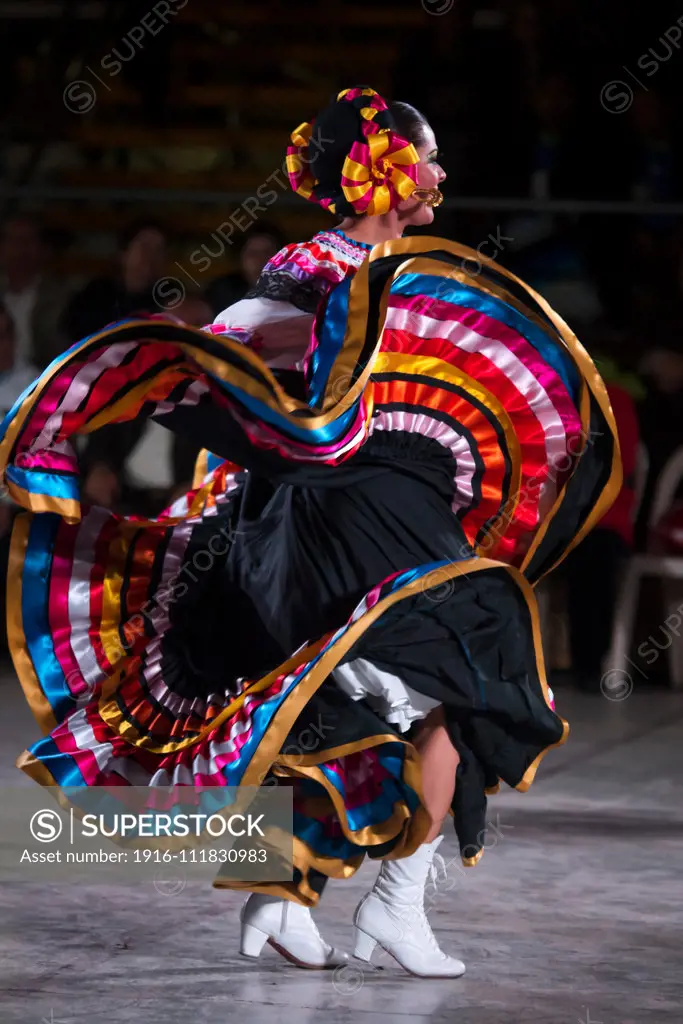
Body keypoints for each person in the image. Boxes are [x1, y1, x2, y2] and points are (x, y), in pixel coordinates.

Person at [0, 87, 620, 979]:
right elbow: (237, 346)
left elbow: (250, 347)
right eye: (429, 157)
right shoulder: (324, 270)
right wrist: (267, 391)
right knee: (482, 666)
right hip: (348, 523)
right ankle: (394, 905)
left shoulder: (348, 268)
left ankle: (283, 898)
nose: (441, 174)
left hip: (350, 520)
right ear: (387, 175)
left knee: (363, 703)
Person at [62, 219, 169, 342]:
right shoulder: (94, 296)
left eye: (159, 250)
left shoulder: (169, 298)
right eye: (144, 247)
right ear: (124, 253)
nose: (151, 256)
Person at [0, 213, 71, 369]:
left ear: (42, 248)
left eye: (29, 240)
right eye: (14, 240)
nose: (22, 249)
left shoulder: (62, 298)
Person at [204, 222, 286, 319]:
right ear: (241, 258)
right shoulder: (220, 292)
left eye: (267, 252)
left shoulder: (297, 293)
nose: (260, 260)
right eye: (252, 254)